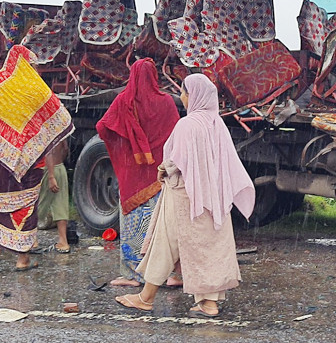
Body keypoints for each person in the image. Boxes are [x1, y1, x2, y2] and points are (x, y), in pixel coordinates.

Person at [115, 74, 254, 316]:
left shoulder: (187, 125)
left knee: (165, 243)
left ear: (194, 96)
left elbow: (176, 162)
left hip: (185, 195)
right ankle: (209, 302)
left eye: (184, 92)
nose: (181, 97)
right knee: (209, 245)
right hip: (215, 196)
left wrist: (162, 169)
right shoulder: (217, 123)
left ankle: (145, 298)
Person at [0, 45, 73, 270]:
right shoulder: (35, 89)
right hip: (28, 160)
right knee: (25, 206)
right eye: (35, 65)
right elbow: (57, 116)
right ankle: (22, 259)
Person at [96, 58, 180, 287]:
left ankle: (133, 275)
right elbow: (176, 136)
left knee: (134, 227)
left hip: (133, 175)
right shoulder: (167, 103)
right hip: (161, 175)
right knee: (162, 226)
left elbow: (103, 127)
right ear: (155, 76)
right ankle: (168, 274)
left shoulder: (124, 101)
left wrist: (125, 145)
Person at [37, 138, 71, 253]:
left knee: (37, 204)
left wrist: (51, 175)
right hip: (60, 167)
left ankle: (31, 241)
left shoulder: (44, 129)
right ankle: (63, 242)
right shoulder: (60, 129)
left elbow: (48, 152)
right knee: (60, 205)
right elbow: (65, 149)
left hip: (48, 169)